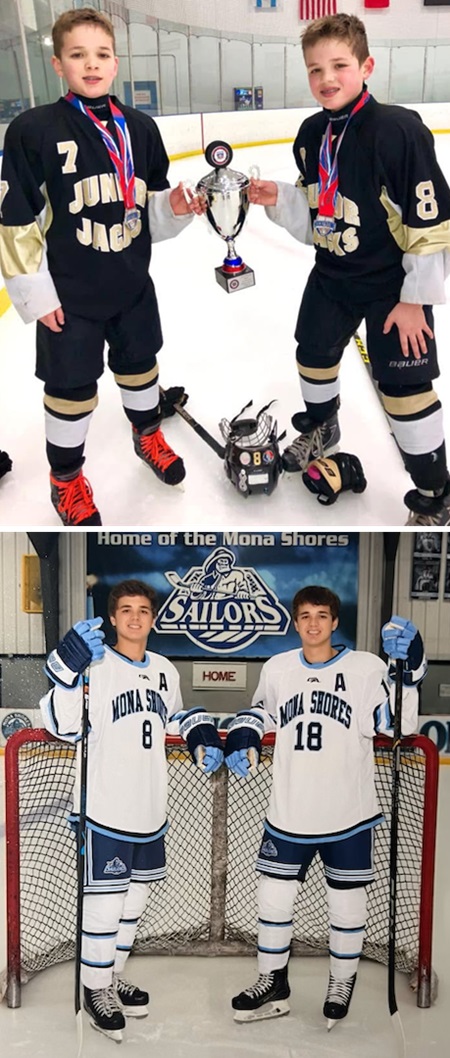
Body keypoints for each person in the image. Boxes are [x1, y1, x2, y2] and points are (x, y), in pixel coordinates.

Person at [0, 7, 205, 526]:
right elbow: (16, 221)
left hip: (132, 285)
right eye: (77, 55)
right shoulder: (32, 131)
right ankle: (65, 481)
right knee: (71, 391)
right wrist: (36, 295)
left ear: (116, 63)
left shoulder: (139, 127)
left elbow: (147, 211)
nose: (91, 65)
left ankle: (147, 435)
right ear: (57, 64)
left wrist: (174, 210)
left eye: (102, 55)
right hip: (70, 297)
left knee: (141, 369)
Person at [248, 13, 450, 526]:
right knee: (313, 353)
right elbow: (324, 213)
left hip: (393, 287)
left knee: (404, 391)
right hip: (332, 275)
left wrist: (413, 300)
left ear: (367, 66)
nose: (326, 79)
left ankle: (435, 493)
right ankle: (322, 426)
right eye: (315, 70)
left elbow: (431, 224)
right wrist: (282, 200)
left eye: (339, 65)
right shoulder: (312, 132)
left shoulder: (399, 131)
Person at [224, 584, 426, 1028]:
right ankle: (271, 981)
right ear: (294, 623)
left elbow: (400, 725)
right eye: (305, 616)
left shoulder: (367, 667)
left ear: (336, 623)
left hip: (347, 815)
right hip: (288, 814)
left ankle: (341, 981)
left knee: (346, 909)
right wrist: (245, 736)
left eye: (322, 615)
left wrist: (410, 670)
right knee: (272, 905)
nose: (313, 623)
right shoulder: (278, 668)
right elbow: (260, 714)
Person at [40, 578, 223, 1042]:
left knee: (134, 904)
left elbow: (175, 719)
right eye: (126, 610)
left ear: (153, 617)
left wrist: (200, 734)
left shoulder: (165, 669)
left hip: (149, 810)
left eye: (144, 609)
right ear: (113, 617)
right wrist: (66, 674)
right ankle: (95, 987)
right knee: (104, 905)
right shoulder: (94, 667)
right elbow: (61, 726)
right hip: (104, 809)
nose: (136, 617)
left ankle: (111, 973)